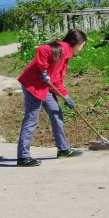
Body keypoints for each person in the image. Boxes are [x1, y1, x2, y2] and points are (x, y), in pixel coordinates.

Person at [16, 29, 88, 167]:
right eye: (82, 45)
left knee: (56, 113)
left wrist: (65, 96)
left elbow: (57, 80)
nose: (82, 49)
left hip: (46, 87)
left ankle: (63, 149)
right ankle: (23, 157)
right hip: (33, 86)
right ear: (77, 42)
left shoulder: (66, 55)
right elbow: (42, 49)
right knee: (31, 119)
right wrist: (43, 70)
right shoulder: (60, 48)